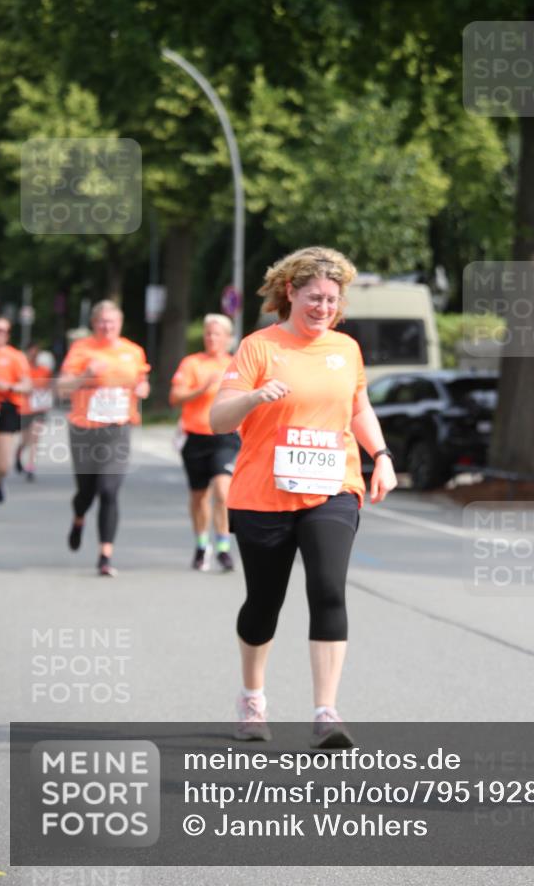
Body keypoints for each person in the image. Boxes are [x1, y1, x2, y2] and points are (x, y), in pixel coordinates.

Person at [210, 246, 397, 746]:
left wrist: (380, 455)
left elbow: (358, 407)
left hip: (332, 488)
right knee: (263, 603)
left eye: (332, 300)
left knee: (329, 588)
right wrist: (253, 396)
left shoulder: (346, 349)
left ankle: (326, 712)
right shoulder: (258, 346)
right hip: (262, 493)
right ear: (290, 292)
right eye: (314, 297)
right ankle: (252, 698)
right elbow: (219, 418)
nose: (323, 308)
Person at [57, 300, 150, 577]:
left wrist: (143, 387)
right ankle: (78, 518)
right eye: (102, 322)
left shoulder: (132, 351)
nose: (107, 326)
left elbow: (141, 380)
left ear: (119, 324)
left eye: (112, 322)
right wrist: (85, 375)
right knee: (86, 492)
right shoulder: (81, 350)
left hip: (117, 429)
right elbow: (62, 388)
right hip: (84, 429)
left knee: (109, 491)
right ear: (94, 324)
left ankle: (105, 555)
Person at [169, 314, 240, 572]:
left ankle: (223, 546)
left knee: (223, 491)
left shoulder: (236, 364)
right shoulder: (192, 363)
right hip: (195, 436)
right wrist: (201, 389)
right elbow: (175, 397)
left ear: (228, 338)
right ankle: (202, 545)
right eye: (208, 333)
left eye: (217, 334)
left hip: (226, 436)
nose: (212, 338)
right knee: (199, 497)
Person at [0, 316, 31, 505]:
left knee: (3, 465)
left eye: (5, 331)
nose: (1, 334)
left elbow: (27, 385)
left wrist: (10, 386)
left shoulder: (16, 356)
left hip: (7, 406)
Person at [16, 344, 55, 482]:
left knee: (35, 438)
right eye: (31, 353)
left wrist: (48, 394)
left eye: (36, 353)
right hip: (25, 408)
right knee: (26, 439)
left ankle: (30, 467)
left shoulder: (44, 370)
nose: (33, 356)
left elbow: (50, 386)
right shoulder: (22, 370)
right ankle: (19, 452)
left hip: (39, 409)